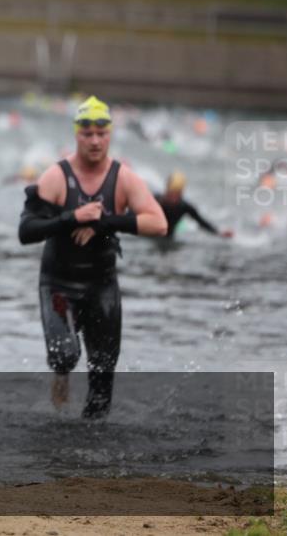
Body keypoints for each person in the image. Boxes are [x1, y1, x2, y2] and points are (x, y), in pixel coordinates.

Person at [19, 96, 167, 419]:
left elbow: (159, 223)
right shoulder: (57, 177)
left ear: (110, 134)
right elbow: (26, 231)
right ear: (77, 135)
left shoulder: (123, 177)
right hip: (58, 285)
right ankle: (59, 401)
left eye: (102, 133)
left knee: (102, 374)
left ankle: (92, 455)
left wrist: (104, 223)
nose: (95, 141)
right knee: (65, 354)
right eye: (88, 134)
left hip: (101, 285)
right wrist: (72, 217)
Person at [155, 171, 233, 239]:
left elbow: (201, 221)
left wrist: (219, 233)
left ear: (181, 193)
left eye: (177, 194)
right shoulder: (155, 201)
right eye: (172, 193)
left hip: (167, 238)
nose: (174, 198)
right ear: (166, 190)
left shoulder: (184, 207)